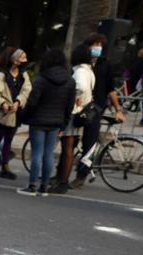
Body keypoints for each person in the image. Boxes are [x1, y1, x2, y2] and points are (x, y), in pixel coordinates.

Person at [17, 47, 73, 196]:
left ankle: (32, 185)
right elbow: (70, 106)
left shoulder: (41, 80)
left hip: (38, 121)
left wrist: (24, 117)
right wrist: (64, 123)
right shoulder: (70, 81)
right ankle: (44, 187)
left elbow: (32, 102)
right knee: (49, 154)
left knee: (37, 153)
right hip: (56, 122)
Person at [72, 34, 124, 189]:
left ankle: (81, 175)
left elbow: (111, 89)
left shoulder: (104, 64)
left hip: (96, 109)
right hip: (78, 107)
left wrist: (118, 109)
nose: (98, 47)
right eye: (95, 44)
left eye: (100, 44)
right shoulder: (80, 65)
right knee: (70, 140)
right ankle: (62, 172)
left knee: (89, 142)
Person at [49, 43, 96, 193]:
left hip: (73, 112)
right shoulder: (89, 71)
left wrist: (72, 97)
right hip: (81, 112)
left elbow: (80, 87)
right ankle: (61, 177)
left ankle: (63, 181)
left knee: (67, 147)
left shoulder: (80, 72)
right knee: (69, 146)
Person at [0, 47, 30, 180]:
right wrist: (3, 104)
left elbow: (26, 91)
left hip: (16, 113)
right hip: (2, 114)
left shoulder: (24, 75)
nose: (24, 60)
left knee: (9, 141)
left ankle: (5, 166)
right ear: (15, 59)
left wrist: (18, 102)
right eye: (22, 57)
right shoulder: (2, 75)